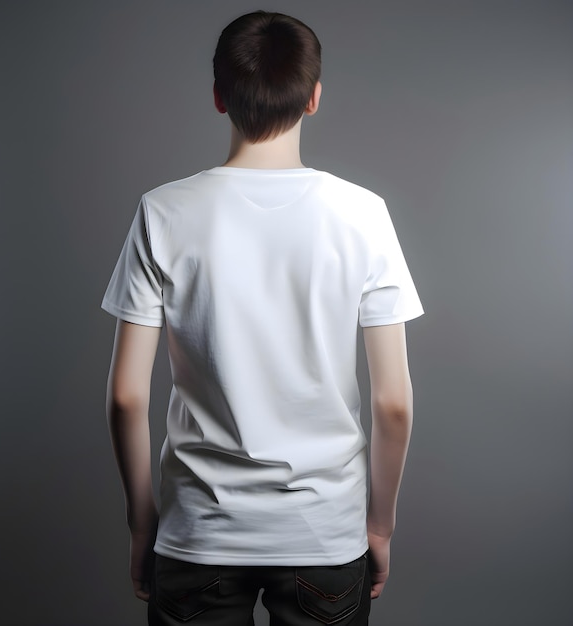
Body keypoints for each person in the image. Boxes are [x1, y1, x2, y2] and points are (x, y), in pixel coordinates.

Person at [102, 10, 423, 625]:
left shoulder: (162, 212)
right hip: (323, 532)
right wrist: (377, 527)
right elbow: (393, 404)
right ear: (314, 97)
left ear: (219, 96)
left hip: (198, 534)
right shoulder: (363, 214)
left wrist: (143, 524)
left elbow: (125, 397)